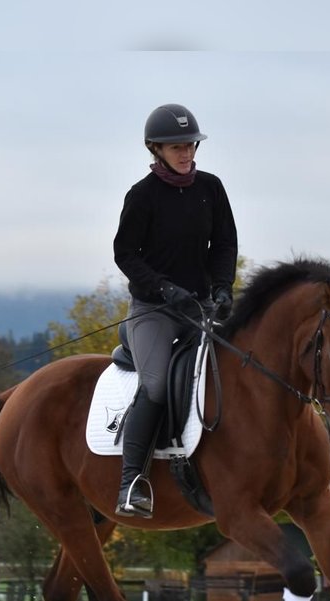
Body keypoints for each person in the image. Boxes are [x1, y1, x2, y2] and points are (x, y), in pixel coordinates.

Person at [111, 103, 238, 518]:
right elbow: (125, 254)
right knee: (156, 384)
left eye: (190, 145)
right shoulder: (142, 195)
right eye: (176, 147)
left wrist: (222, 288)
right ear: (156, 149)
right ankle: (132, 482)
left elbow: (223, 245)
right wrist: (164, 289)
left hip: (201, 308)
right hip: (154, 311)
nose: (186, 153)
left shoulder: (211, 188)